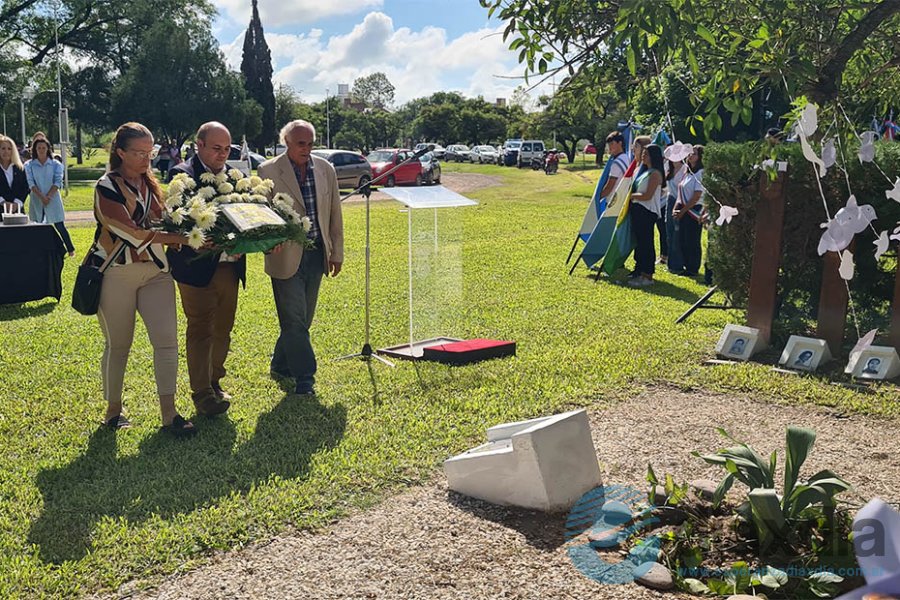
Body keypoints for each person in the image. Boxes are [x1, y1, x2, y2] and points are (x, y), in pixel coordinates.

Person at [92, 122, 196, 435]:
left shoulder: (151, 184)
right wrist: (180, 237)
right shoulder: (105, 186)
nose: (145, 158)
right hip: (116, 273)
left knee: (166, 343)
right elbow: (131, 233)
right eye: (137, 152)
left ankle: (169, 414)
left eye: (149, 152)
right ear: (120, 152)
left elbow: (161, 219)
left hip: (156, 274)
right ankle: (113, 411)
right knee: (118, 345)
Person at [166, 122, 246, 416]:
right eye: (216, 148)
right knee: (200, 328)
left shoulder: (238, 179)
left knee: (223, 329)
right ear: (199, 145)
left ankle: (214, 382)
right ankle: (201, 395)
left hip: (229, 266)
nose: (223, 154)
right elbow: (180, 218)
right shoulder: (181, 175)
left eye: (227, 149)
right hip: (195, 268)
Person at [259, 119, 344, 396]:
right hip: (285, 257)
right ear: (286, 142)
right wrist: (268, 243)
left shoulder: (326, 169)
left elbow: (334, 214)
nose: (306, 149)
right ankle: (305, 377)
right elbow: (260, 215)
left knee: (301, 320)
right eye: (300, 143)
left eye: (310, 143)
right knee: (294, 320)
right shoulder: (268, 170)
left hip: (317, 254)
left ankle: (280, 364)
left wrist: (337, 252)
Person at [24, 136, 75, 257]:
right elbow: (30, 182)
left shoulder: (55, 164)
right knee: (36, 225)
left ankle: (70, 249)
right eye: (38, 148)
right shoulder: (29, 165)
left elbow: (58, 181)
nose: (41, 150)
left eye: (43, 147)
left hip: (52, 198)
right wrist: (41, 197)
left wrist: (49, 196)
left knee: (59, 225)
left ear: (48, 148)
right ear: (34, 150)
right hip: (37, 198)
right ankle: (37, 249)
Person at [628, 143, 664, 287]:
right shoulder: (644, 171)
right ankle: (640, 270)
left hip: (647, 211)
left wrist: (631, 196)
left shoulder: (655, 173)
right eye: (642, 153)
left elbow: (648, 195)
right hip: (638, 210)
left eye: (646, 154)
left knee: (646, 243)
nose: (643, 156)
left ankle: (647, 275)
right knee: (640, 243)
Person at [673, 145, 705, 277]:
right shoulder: (687, 172)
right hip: (683, 209)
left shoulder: (701, 173)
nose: (690, 156)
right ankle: (686, 265)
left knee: (692, 240)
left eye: (694, 154)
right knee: (683, 239)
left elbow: (697, 195)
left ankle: (693, 268)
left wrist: (684, 210)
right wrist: (676, 208)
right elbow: (680, 191)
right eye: (690, 154)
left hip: (694, 210)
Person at [664, 156, 686, 273]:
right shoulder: (668, 167)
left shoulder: (685, 169)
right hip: (670, 198)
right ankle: (670, 262)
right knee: (669, 231)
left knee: (677, 232)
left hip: (679, 201)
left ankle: (677, 264)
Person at [0, 135, 29, 218]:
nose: (6, 152)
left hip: (17, 212)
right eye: (3, 148)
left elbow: (25, 187)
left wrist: (17, 203)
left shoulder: (20, 168)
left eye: (9, 149)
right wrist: (3, 203)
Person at [598, 132, 629, 200]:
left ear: (620, 143)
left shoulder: (617, 163)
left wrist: (597, 198)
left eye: (612, 144)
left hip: (614, 200)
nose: (610, 147)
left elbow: (609, 187)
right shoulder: (626, 157)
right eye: (609, 144)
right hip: (623, 196)